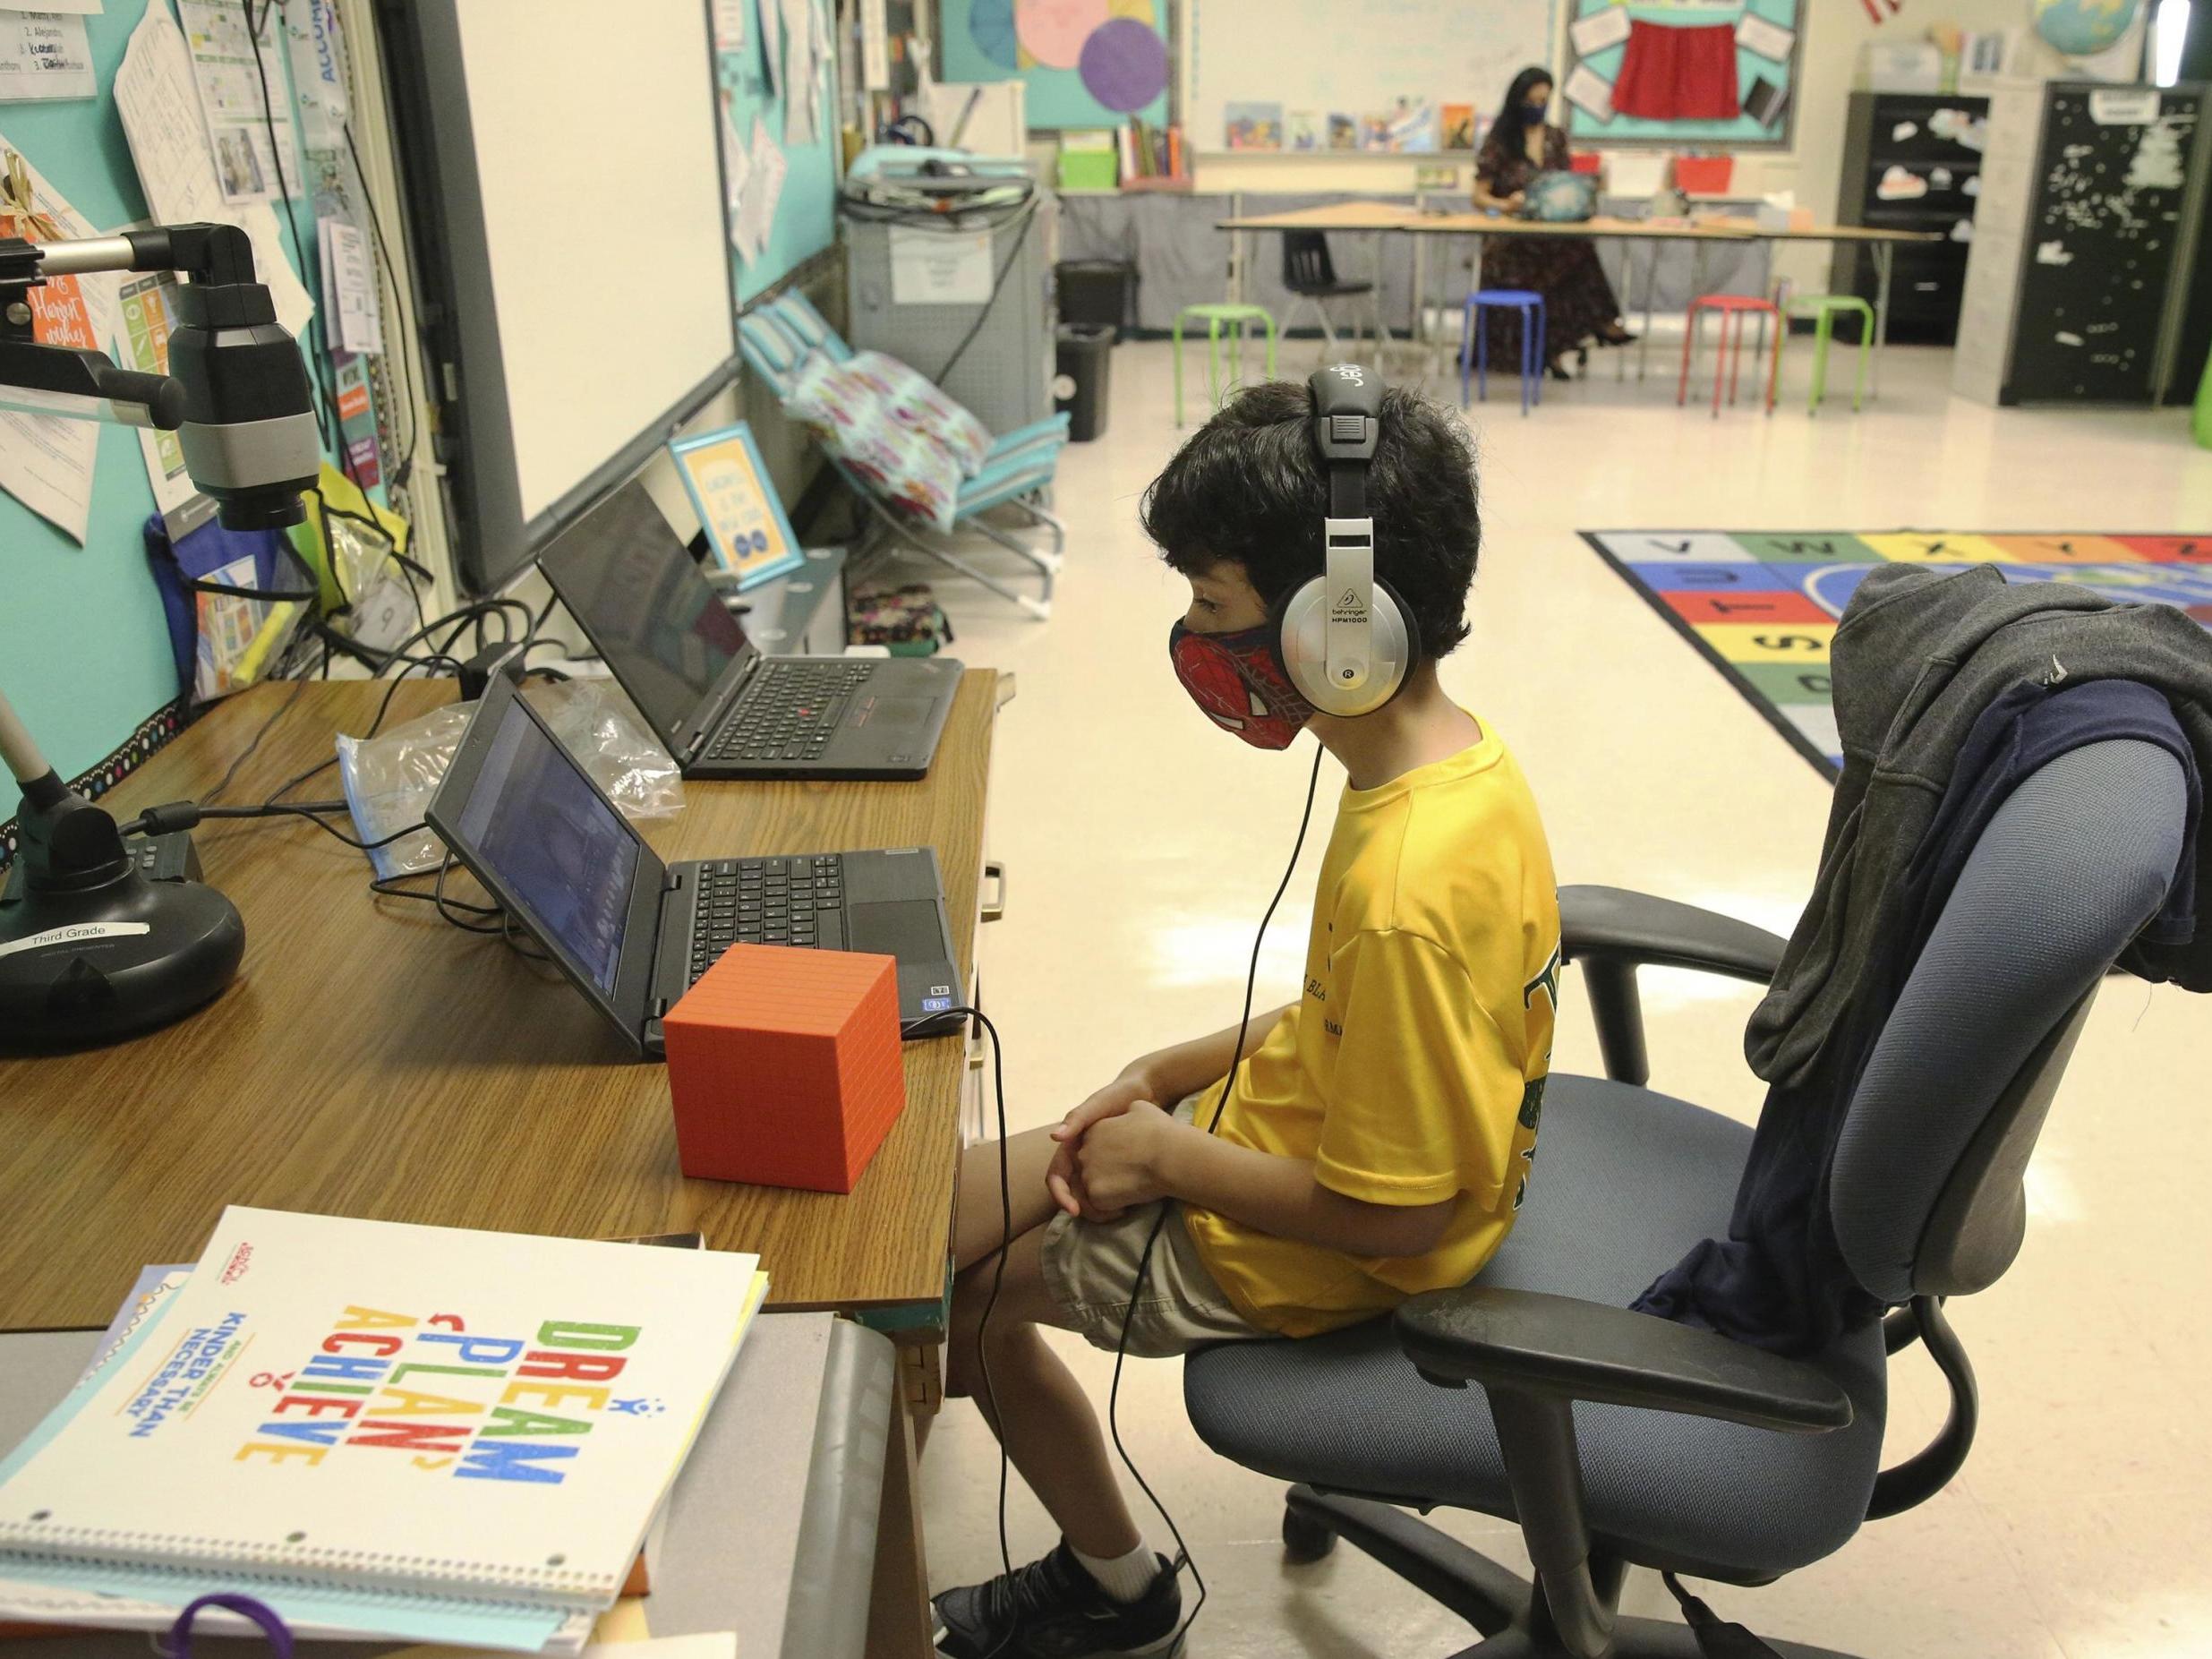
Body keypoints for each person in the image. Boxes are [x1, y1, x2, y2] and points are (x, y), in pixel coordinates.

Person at [927, 379, 1562, 1659]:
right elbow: (1343, 1012)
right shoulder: (1447, 773)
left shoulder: (1404, 885)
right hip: (1262, 1136)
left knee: (927, 1303)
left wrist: (1166, 1155)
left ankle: (1116, 1594)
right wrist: (1169, 1071)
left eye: (1211, 607)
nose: (1191, 636)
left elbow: (1402, 1210)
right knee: (910, 1210)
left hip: (1316, 1237)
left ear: (1340, 633)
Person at [1471, 65, 1636, 381]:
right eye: (1532, 101)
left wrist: (1583, 192)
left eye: (1543, 100)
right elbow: (1479, 196)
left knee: (1575, 250)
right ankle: (1594, 327)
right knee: (1569, 258)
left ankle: (1557, 347)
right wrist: (1506, 203)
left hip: (1549, 230)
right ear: (1518, 101)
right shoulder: (1500, 140)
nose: (1538, 107)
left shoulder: (1555, 137)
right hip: (1512, 240)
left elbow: (1564, 182)